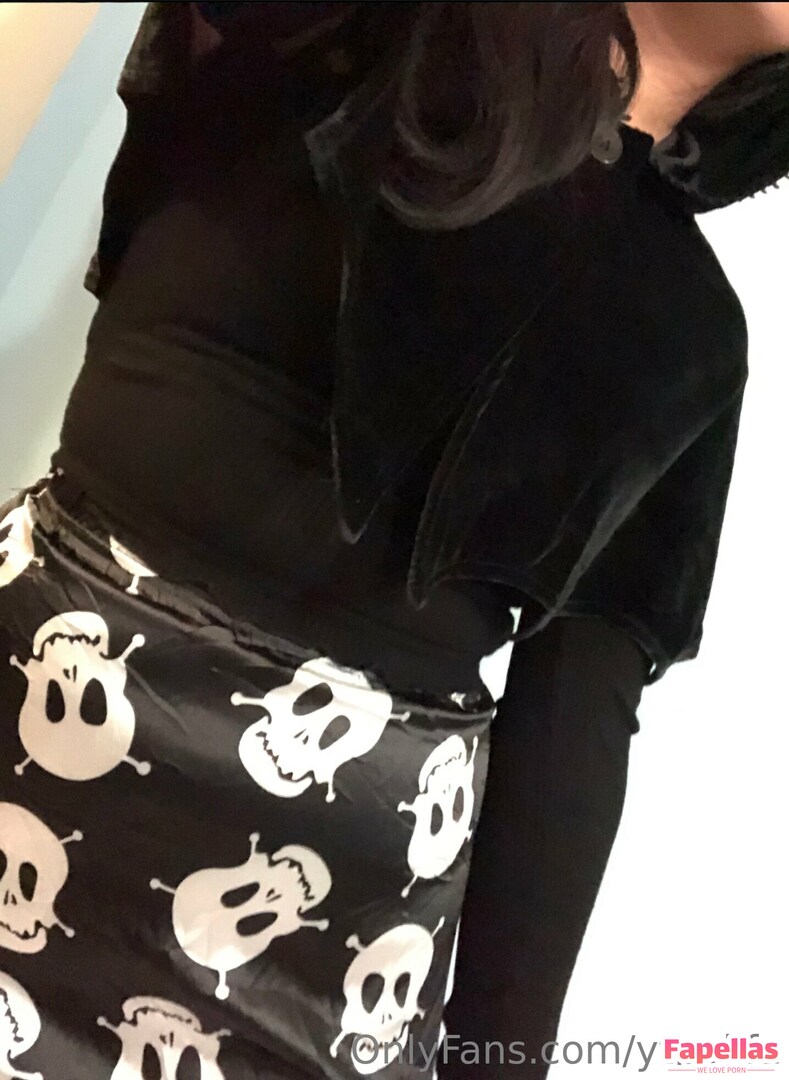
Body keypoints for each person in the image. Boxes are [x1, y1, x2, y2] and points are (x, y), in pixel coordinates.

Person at [0, 3, 787, 1078]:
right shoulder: (326, 43)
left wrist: (496, 1062)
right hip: (41, 717)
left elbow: (575, 727)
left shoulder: (691, 340)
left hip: (335, 937)